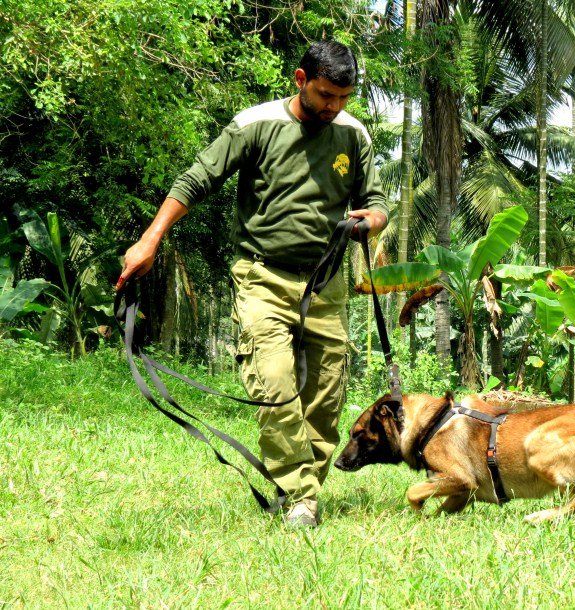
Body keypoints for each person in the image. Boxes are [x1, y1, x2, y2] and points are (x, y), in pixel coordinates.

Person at [117, 41, 388, 527]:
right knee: (275, 384)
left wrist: (375, 220)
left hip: (326, 284)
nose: (333, 107)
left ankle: (299, 489)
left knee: (326, 400)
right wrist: (149, 241)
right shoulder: (255, 124)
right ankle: (302, 497)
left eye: (343, 98)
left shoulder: (353, 135)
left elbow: (377, 201)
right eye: (326, 94)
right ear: (300, 79)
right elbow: (195, 180)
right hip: (262, 276)